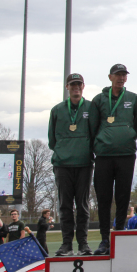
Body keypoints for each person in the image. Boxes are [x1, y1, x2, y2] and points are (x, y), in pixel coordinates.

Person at [89, 64, 137, 255]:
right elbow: (93, 127)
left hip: (126, 154)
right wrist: (102, 141)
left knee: (122, 197)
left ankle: (118, 233)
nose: (121, 78)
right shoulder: (98, 100)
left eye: (123, 75)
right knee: (103, 199)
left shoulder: (134, 99)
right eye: (117, 75)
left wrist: (126, 136)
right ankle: (104, 239)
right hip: (103, 155)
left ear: (126, 78)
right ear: (110, 77)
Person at [48, 72, 95, 256]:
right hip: (63, 164)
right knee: (65, 205)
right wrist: (63, 150)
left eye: (79, 85)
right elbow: (52, 140)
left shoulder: (91, 107)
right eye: (72, 85)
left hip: (84, 163)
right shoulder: (57, 110)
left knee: (82, 205)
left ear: (83, 86)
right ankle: (66, 244)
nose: (76, 88)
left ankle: (83, 244)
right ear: (67, 87)